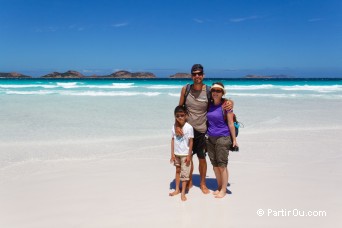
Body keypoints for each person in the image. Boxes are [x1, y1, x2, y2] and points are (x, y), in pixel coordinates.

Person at [177, 64, 233, 194]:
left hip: (202, 132)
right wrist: (177, 126)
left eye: (199, 73)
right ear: (191, 75)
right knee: (187, 159)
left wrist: (231, 102)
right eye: (194, 74)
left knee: (202, 159)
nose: (197, 76)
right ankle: (189, 181)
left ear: (203, 75)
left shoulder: (208, 91)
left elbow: (220, 100)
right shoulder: (185, 89)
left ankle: (202, 183)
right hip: (187, 132)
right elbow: (180, 109)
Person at [206, 82, 238, 198]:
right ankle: (219, 187)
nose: (215, 92)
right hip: (210, 138)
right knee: (214, 165)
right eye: (214, 90)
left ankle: (223, 190)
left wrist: (234, 139)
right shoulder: (209, 105)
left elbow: (230, 123)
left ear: (222, 93)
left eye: (218, 91)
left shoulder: (226, 106)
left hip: (223, 137)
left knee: (222, 165)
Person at [169, 105, 194, 201]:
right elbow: (172, 140)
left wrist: (189, 155)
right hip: (176, 154)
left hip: (185, 155)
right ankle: (176, 189)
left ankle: (183, 192)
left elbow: (191, 142)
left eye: (182, 115)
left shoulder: (189, 127)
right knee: (177, 171)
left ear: (186, 116)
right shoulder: (174, 127)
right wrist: (172, 154)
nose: (180, 117)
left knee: (184, 174)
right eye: (177, 115)